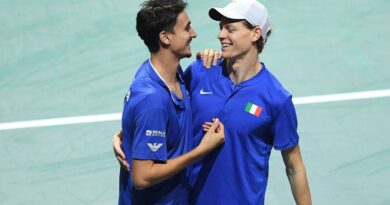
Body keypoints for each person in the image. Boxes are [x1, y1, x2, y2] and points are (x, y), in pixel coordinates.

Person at [114, 0, 311, 204]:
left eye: (230, 29)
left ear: (255, 34)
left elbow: (294, 166)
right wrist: (124, 135)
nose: (220, 35)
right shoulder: (199, 72)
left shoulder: (276, 98)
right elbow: (158, 112)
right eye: (220, 27)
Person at [117, 0, 225, 204]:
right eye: (186, 28)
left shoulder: (170, 74)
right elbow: (142, 177)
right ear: (165, 38)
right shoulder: (153, 99)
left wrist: (123, 137)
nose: (193, 33)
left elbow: (140, 124)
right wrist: (201, 151)